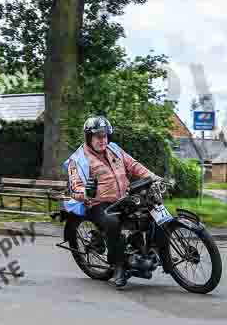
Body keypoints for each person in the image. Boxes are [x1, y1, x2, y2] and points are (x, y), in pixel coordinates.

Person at [64, 115, 160, 289]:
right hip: (97, 203)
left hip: (121, 198)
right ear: (89, 137)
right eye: (98, 136)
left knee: (150, 207)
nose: (103, 140)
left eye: (105, 136)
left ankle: (149, 249)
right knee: (112, 221)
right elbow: (74, 188)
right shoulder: (77, 160)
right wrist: (86, 192)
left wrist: (153, 177)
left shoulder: (114, 149)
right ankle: (119, 266)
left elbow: (134, 165)